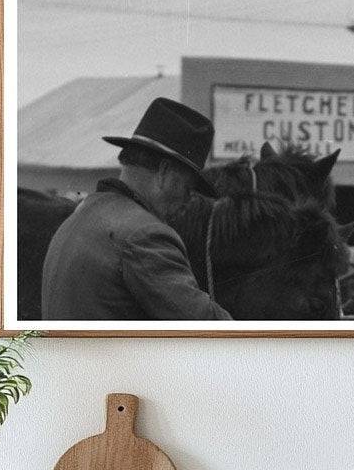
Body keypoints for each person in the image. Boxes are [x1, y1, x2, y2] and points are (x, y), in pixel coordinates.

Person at [41, 97, 231, 321]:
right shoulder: (145, 235)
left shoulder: (83, 213)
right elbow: (207, 325)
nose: (188, 200)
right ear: (165, 172)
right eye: (188, 189)